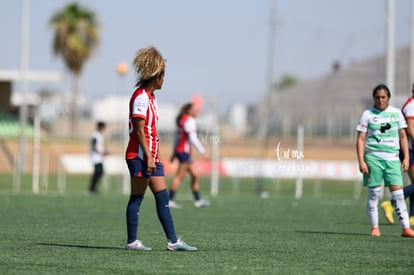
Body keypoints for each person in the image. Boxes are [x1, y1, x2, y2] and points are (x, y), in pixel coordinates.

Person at [124, 46, 197, 251]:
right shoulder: (140, 97)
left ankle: (173, 241)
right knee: (137, 197)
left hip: (151, 156)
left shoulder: (151, 98)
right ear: (157, 76)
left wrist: (156, 155)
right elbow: (139, 131)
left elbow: (149, 132)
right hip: (139, 156)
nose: (164, 79)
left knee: (163, 197)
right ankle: (131, 242)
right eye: (163, 75)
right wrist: (148, 156)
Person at [356, 84, 414, 237]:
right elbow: (361, 139)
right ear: (374, 98)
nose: (380, 100)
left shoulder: (396, 114)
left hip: (393, 159)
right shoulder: (367, 114)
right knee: (374, 195)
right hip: (373, 159)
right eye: (377, 97)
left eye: (383, 97)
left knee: (399, 195)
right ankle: (375, 228)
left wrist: (406, 157)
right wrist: (361, 161)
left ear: (388, 98)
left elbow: (403, 136)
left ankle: (406, 228)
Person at [381, 83, 414, 226]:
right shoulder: (411, 105)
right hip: (409, 150)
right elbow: (411, 130)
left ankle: (412, 217)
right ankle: (391, 203)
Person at [168, 102, 210, 209]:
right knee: (179, 176)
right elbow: (193, 139)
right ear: (189, 111)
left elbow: (177, 138)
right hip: (184, 153)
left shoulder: (183, 120)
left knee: (195, 175)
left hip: (182, 152)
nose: (197, 111)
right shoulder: (189, 120)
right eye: (195, 109)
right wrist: (203, 152)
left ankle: (198, 200)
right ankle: (169, 200)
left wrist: (173, 152)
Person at [89, 121, 109, 193]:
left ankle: (93, 188)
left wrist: (105, 151)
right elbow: (94, 146)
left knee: (99, 172)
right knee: (98, 171)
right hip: (96, 157)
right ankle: (92, 188)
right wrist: (102, 152)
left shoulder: (100, 135)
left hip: (99, 157)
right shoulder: (95, 135)